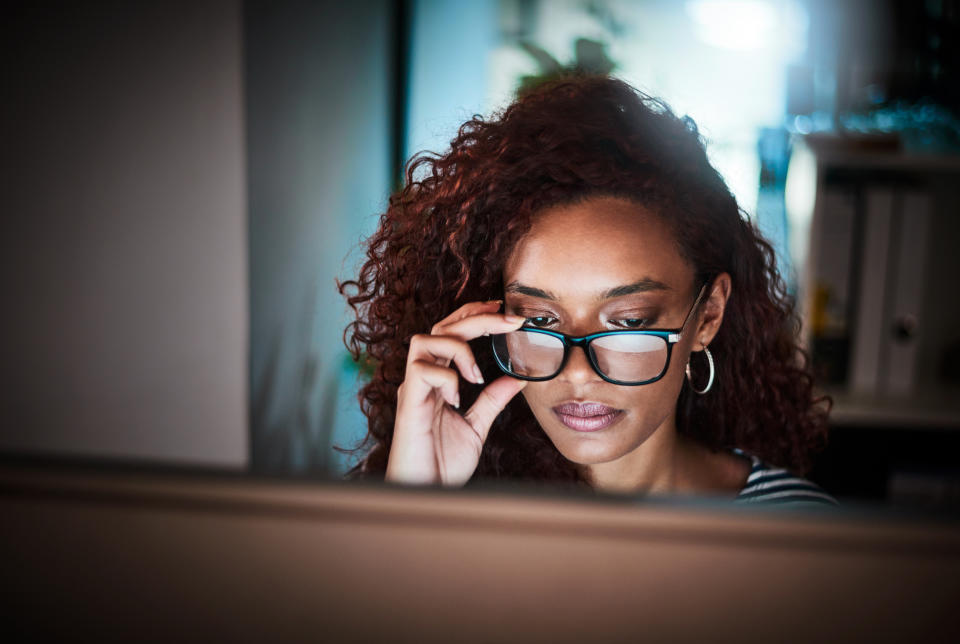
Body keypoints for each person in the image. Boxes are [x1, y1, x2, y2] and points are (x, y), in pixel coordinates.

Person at [339, 75, 835, 505]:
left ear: (707, 317)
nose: (576, 373)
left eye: (628, 321)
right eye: (539, 320)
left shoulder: (805, 538)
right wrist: (415, 505)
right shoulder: (453, 511)